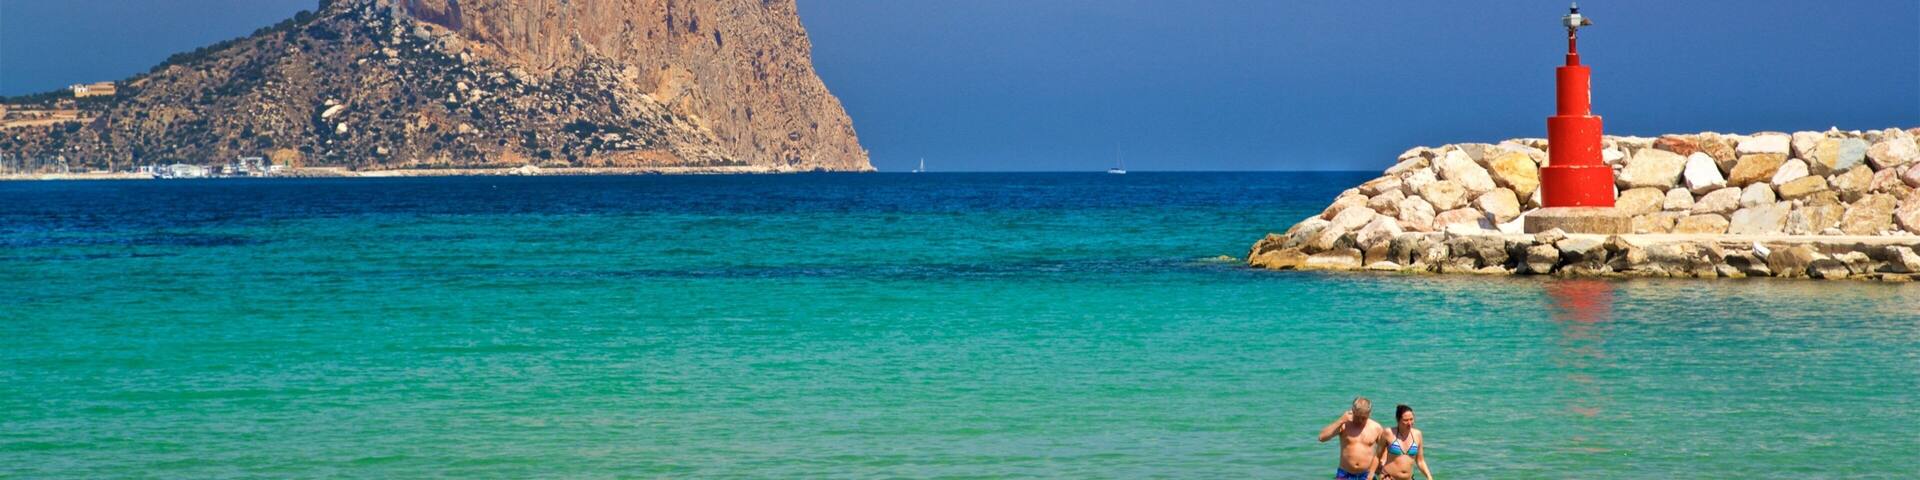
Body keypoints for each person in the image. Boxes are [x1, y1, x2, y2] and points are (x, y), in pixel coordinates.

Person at [1317, 396, 1395, 480]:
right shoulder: (1344, 425)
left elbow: (1385, 448)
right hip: (1345, 474)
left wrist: (1380, 464)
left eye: (1364, 418)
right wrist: (1340, 420)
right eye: (1357, 417)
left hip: (1367, 475)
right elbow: (1322, 437)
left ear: (1369, 413)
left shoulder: (1376, 428)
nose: (1360, 420)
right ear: (1353, 411)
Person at [1378, 404, 1433, 480]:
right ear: (1398, 420)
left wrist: (1429, 477)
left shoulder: (1417, 434)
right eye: (1406, 420)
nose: (1409, 423)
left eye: (1411, 419)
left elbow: (1420, 461)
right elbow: (1377, 457)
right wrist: (1378, 473)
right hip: (1389, 477)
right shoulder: (1388, 433)